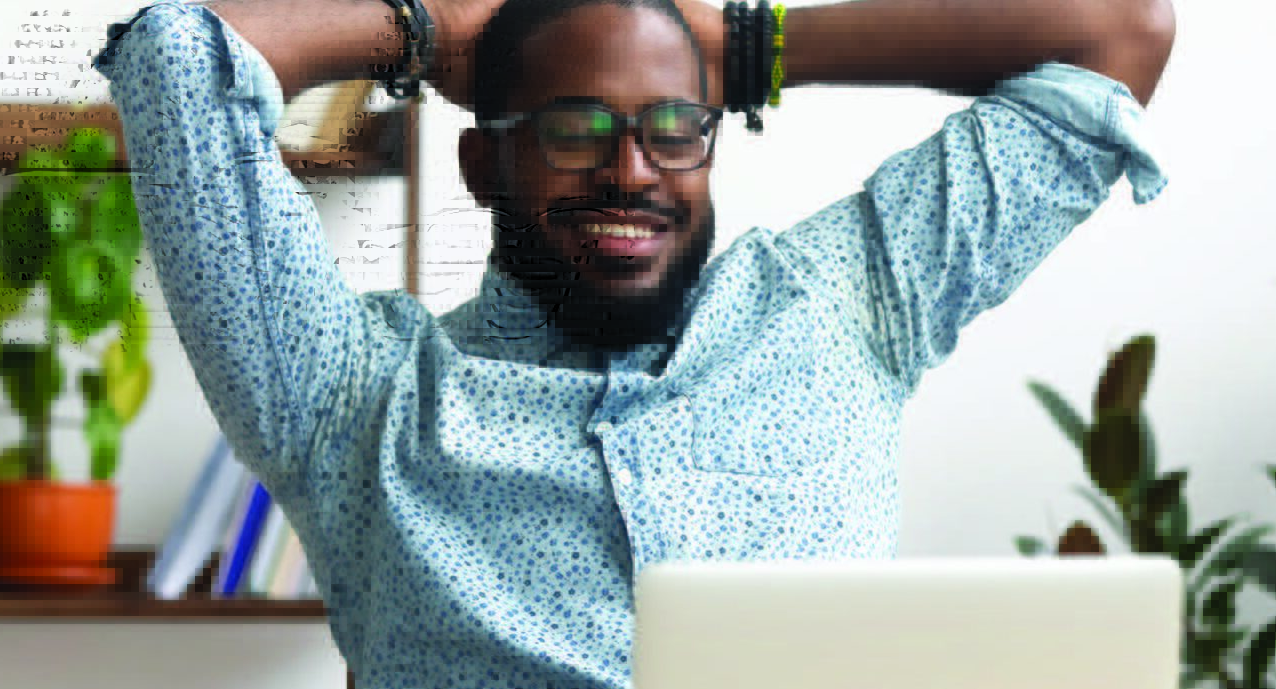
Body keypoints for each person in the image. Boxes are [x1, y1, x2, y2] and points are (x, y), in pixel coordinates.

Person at [91, 0, 1174, 686]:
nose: (632, 172)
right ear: (482, 168)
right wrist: (424, 32)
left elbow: (1116, 31)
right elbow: (183, 57)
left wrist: (740, 43)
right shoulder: (351, 396)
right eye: (573, 128)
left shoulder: (846, 299)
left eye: (672, 127)